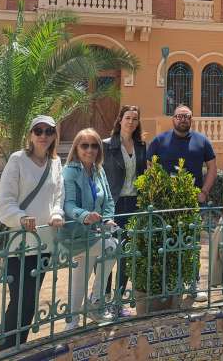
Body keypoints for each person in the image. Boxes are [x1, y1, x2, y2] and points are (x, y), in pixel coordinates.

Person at [0, 115, 64, 351]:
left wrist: (56, 214)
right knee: (19, 302)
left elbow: (58, 198)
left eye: (48, 131)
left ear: (55, 135)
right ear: (30, 135)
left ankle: (17, 349)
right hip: (20, 245)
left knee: (30, 302)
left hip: (44, 244)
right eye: (38, 131)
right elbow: (4, 204)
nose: (43, 136)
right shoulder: (17, 160)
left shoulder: (55, 162)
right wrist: (21, 218)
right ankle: (7, 351)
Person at [147, 105, 217, 301]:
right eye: (179, 116)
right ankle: (170, 284)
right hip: (167, 204)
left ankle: (193, 283)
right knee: (167, 242)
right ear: (173, 119)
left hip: (193, 202)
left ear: (191, 119)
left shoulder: (202, 141)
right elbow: (150, 168)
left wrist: (205, 191)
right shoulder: (160, 141)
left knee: (192, 242)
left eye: (186, 116)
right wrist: (157, 193)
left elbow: (212, 167)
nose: (182, 119)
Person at [61, 128, 118, 330]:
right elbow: (68, 205)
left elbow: (109, 200)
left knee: (82, 274)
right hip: (77, 233)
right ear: (76, 148)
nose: (90, 150)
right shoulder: (70, 172)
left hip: (96, 233)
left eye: (94, 145)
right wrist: (85, 216)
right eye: (84, 145)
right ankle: (95, 302)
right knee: (111, 247)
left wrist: (108, 218)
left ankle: (74, 319)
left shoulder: (98, 170)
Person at [102, 105, 147, 317]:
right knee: (109, 252)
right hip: (113, 204)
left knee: (126, 254)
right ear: (120, 120)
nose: (131, 122)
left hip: (134, 204)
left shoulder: (140, 146)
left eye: (135, 119)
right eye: (127, 117)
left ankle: (118, 302)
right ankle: (103, 300)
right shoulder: (106, 146)